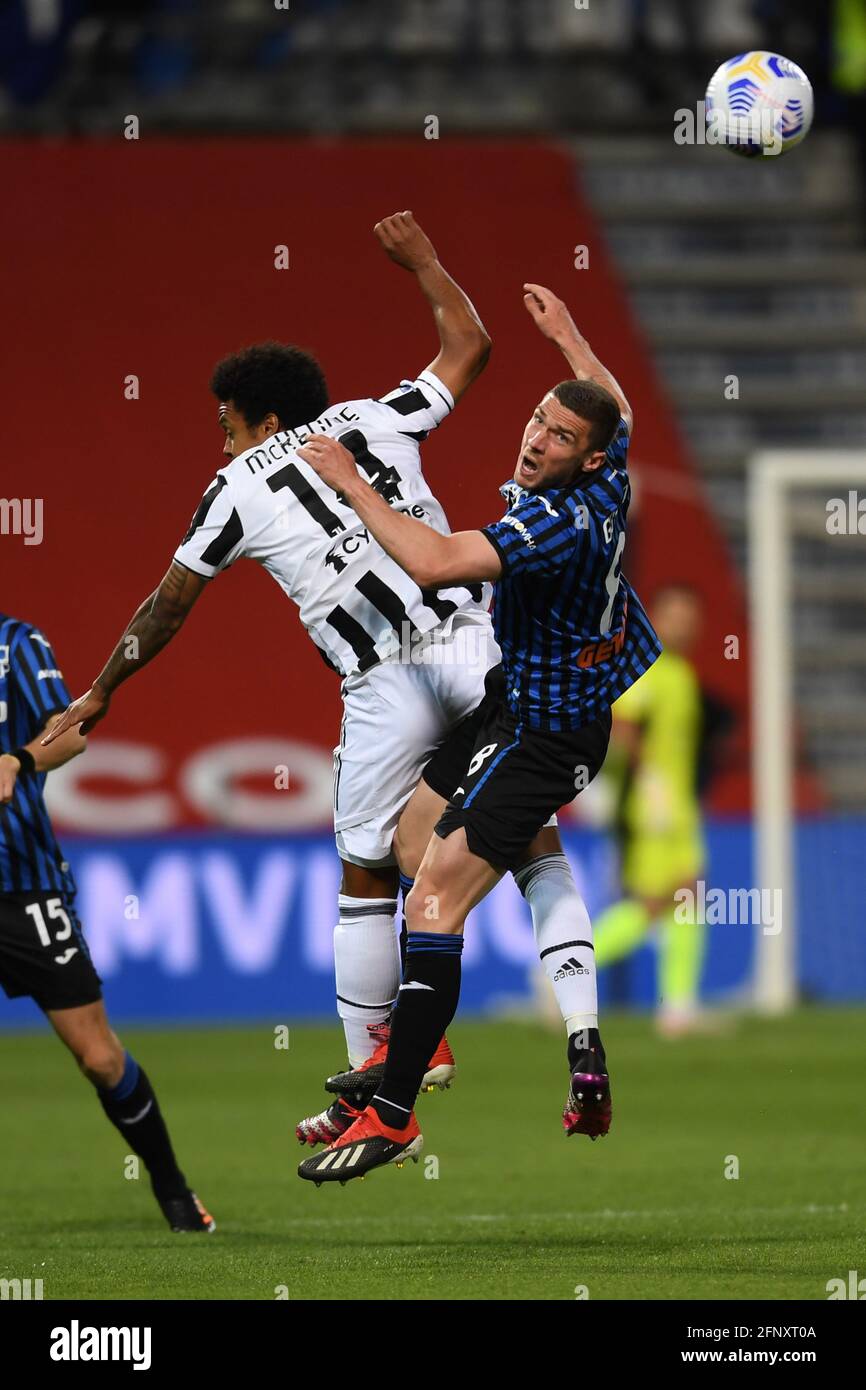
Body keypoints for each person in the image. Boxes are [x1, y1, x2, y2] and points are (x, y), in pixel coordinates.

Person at [44, 214, 593, 1148]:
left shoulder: (233, 490)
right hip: (475, 641)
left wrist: (100, 691)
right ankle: (581, 1039)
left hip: (387, 680)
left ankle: (379, 1078)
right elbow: (471, 346)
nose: (221, 445)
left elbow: (166, 604)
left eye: (226, 426)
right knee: (531, 836)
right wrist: (424, 260)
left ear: (259, 419)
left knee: (364, 870)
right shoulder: (377, 416)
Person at [295, 283, 662, 1183]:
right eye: (539, 419)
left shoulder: (554, 522)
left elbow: (435, 560)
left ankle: (392, 1112)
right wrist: (570, 337)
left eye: (560, 437)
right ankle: (443, 1035)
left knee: (433, 903)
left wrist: (349, 483)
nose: (537, 437)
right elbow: (612, 401)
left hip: (548, 736)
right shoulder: (611, 474)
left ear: (587, 462)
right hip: (523, 698)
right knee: (407, 841)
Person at [0, 613, 214, 1231]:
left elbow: (72, 734)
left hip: (23, 887)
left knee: (97, 1056)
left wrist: (18, 759)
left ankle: (172, 1189)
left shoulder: (17, 643)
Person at [595, 585, 726, 1036]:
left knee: (686, 899)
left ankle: (679, 1006)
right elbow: (624, 724)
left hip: (677, 808)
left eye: (690, 617)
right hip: (655, 810)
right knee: (658, 902)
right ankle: (565, 968)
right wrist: (649, 783)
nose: (683, 625)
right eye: (673, 616)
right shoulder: (650, 669)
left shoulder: (681, 674)